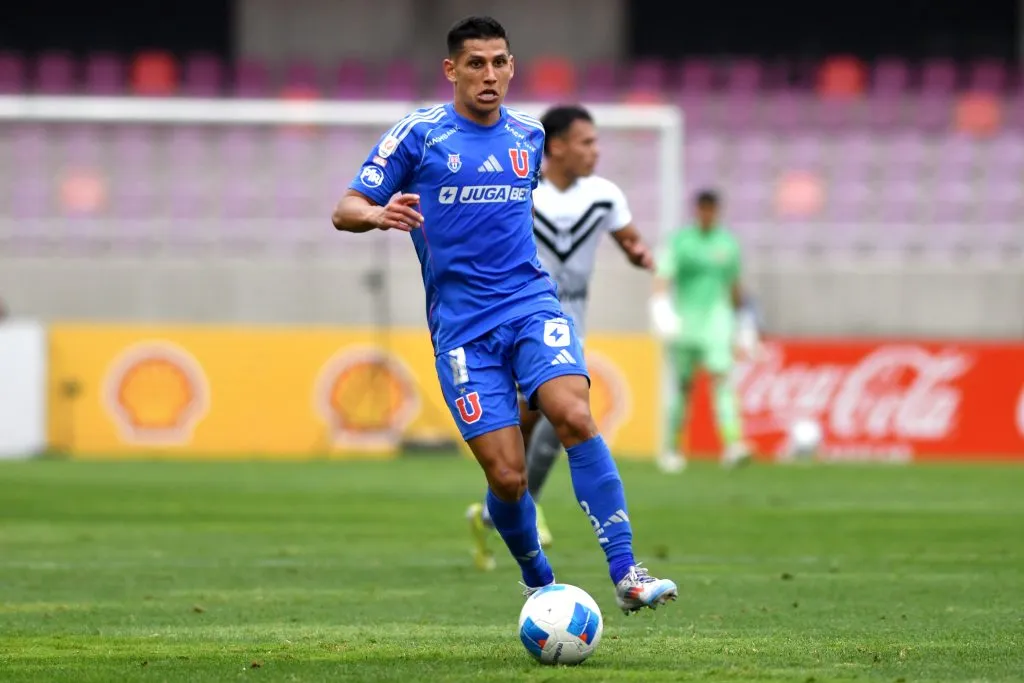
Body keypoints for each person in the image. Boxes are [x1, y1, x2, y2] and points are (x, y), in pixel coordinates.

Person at [332, 16, 676, 613]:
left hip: (530, 303)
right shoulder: (419, 134)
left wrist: (622, 231)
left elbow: (565, 187)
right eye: (475, 64)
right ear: (452, 71)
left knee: (573, 413)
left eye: (499, 63)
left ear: (512, 67)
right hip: (463, 331)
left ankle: (627, 571)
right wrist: (377, 215)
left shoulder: (529, 136)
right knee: (509, 477)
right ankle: (541, 583)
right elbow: (345, 208)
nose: (489, 75)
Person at [466, 104, 655, 569]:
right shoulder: (522, 193)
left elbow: (629, 238)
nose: (596, 151)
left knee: (555, 419)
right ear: (556, 146)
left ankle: (507, 506)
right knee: (532, 424)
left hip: (567, 325)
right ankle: (507, 505)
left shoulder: (605, 196)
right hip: (520, 321)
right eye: (587, 142)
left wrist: (638, 252)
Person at [649, 190, 759, 472]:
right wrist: (662, 309)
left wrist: (743, 320)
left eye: (711, 209)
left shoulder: (727, 243)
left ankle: (733, 444)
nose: (707, 214)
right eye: (703, 209)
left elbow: (734, 285)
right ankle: (672, 447)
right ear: (697, 210)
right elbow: (663, 276)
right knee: (683, 387)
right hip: (686, 321)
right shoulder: (681, 241)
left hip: (717, 321)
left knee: (722, 380)